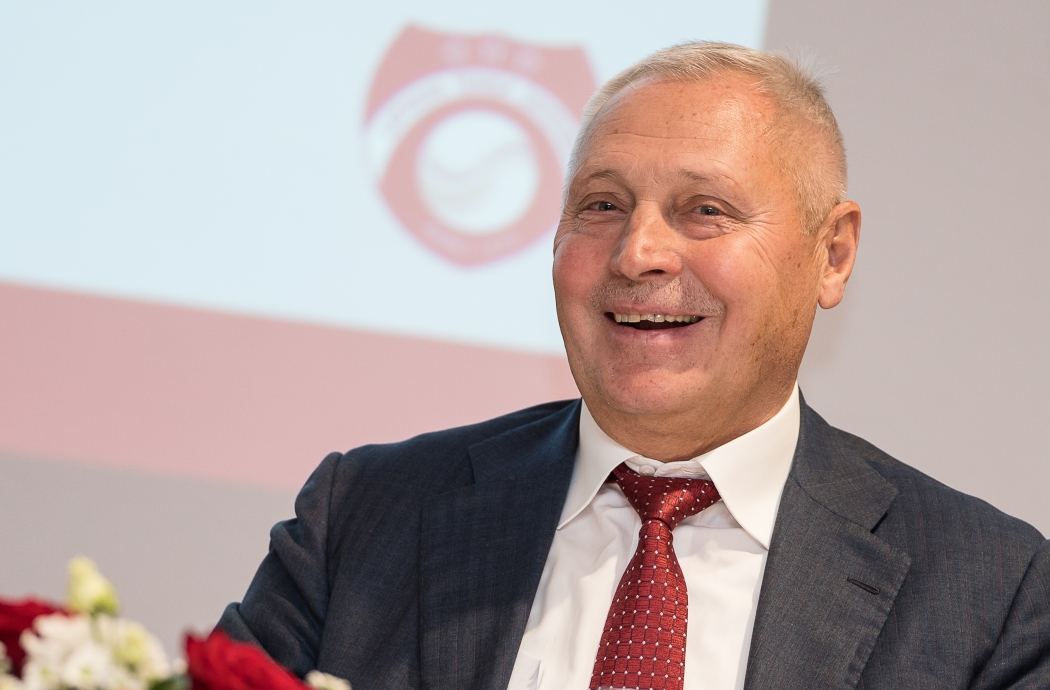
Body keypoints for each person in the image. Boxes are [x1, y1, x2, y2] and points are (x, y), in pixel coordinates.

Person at [218, 42, 1050, 690]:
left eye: (705, 209)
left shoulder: (992, 596)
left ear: (832, 255)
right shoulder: (364, 518)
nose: (637, 252)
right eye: (603, 205)